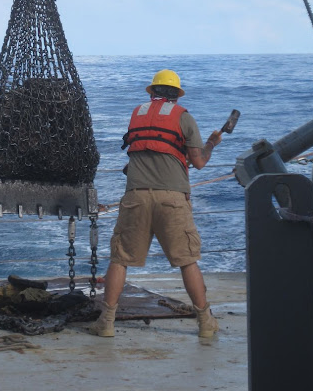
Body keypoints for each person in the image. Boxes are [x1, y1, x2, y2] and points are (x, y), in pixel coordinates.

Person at [89, 69, 222, 339]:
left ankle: (107, 322)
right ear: (176, 94)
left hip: (136, 196)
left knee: (120, 258)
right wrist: (210, 143)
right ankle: (205, 322)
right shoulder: (184, 117)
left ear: (152, 92)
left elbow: (145, 150)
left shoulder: (137, 114)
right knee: (187, 260)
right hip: (172, 199)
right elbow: (198, 162)